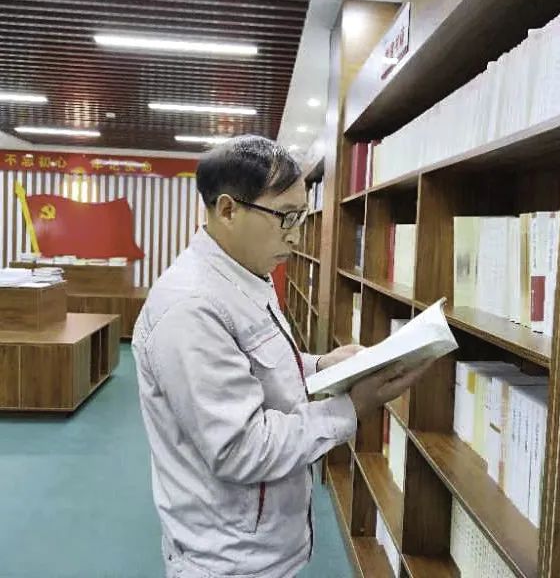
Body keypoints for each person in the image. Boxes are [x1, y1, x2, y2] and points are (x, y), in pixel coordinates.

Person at [132, 136, 433, 578]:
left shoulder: (245, 272)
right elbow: (240, 448)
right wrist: (352, 407)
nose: (295, 234)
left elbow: (254, 366)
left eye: (301, 216)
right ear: (228, 210)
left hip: (261, 540)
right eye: (285, 217)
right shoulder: (191, 309)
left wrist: (321, 365)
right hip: (228, 557)